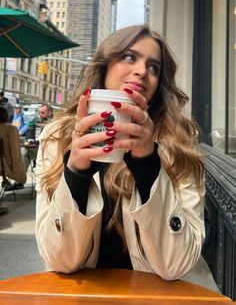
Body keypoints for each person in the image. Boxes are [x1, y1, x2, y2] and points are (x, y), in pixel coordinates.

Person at [35, 25, 218, 291]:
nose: (143, 71)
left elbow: (176, 264)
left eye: (154, 67)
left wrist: (147, 164)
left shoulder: (179, 141)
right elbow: (59, 261)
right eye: (129, 57)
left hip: (165, 296)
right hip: (83, 296)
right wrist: (76, 172)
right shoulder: (59, 136)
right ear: (105, 64)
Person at [0, 107, 26, 191]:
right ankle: (18, 183)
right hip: (6, 166)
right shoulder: (11, 129)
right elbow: (15, 152)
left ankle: (6, 180)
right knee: (25, 158)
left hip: (3, 165)